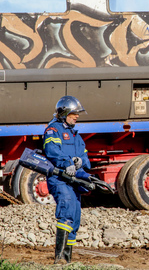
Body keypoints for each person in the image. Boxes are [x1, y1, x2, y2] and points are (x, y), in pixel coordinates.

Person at [44, 96, 92, 264]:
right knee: (67, 213)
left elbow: (86, 157)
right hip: (60, 179)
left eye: (77, 113)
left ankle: (67, 260)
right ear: (64, 113)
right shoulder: (53, 130)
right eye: (74, 113)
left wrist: (80, 162)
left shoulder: (75, 134)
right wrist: (67, 163)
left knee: (75, 218)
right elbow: (52, 151)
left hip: (73, 182)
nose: (77, 116)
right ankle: (59, 260)